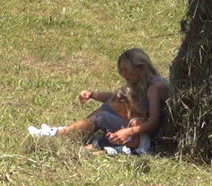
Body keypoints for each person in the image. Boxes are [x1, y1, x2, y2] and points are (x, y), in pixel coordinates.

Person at [28, 48, 170, 152]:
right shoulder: (139, 82)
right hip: (135, 127)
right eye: (121, 71)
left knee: (102, 116)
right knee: (109, 106)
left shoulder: (154, 87)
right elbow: (115, 97)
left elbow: (154, 121)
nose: (123, 75)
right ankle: (64, 132)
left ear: (140, 67)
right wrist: (92, 95)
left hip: (145, 136)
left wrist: (128, 132)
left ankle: (59, 134)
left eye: (125, 70)